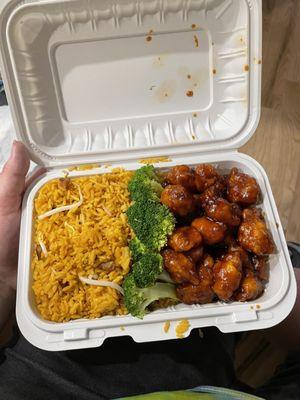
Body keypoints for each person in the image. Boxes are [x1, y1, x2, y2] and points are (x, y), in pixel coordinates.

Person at [0, 142, 299, 400]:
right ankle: (292, 255)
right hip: (199, 374)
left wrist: (7, 278)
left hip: (34, 367)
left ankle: (289, 257)